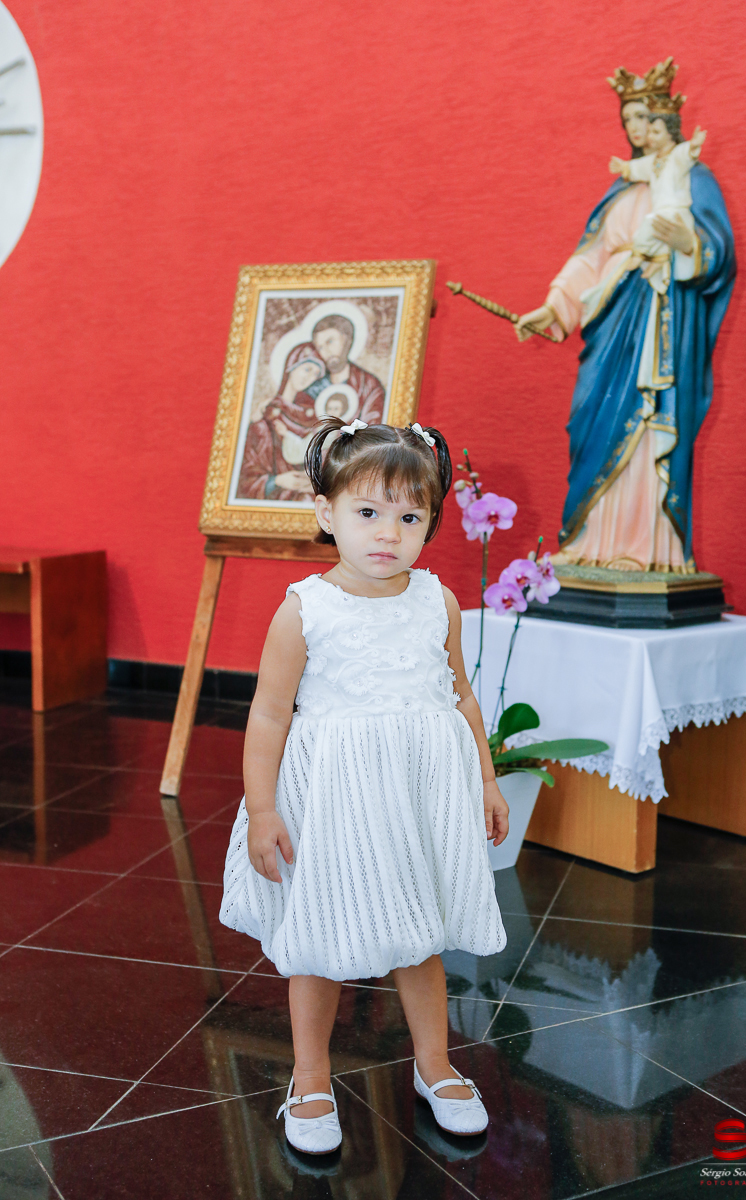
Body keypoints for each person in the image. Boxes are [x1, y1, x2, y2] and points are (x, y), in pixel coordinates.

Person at [220, 418, 509, 1154]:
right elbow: (267, 717)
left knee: (421, 937)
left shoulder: (437, 601)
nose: (389, 533)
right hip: (334, 806)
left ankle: (435, 1065)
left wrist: (484, 779)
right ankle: (311, 1077)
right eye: (368, 512)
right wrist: (261, 809)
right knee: (319, 938)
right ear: (326, 513)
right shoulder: (304, 610)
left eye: (410, 517)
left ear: (430, 523)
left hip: (416, 800)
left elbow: (462, 694)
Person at [515, 58, 735, 573]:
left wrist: (689, 244)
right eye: (629, 121)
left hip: (661, 315)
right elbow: (590, 259)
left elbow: (716, 249)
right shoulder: (621, 191)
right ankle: (589, 542)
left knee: (650, 419)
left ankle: (648, 549)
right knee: (591, 420)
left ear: (666, 125)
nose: (637, 130)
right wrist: (554, 306)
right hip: (611, 321)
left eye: (645, 119)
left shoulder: (689, 177)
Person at [610, 116, 707, 295]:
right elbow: (637, 167)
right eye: (650, 133)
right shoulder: (653, 160)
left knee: (648, 228)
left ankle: (639, 256)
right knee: (649, 232)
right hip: (661, 210)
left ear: (670, 134)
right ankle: (658, 261)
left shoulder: (677, 155)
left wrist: (694, 145)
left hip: (676, 210)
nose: (651, 137)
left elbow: (687, 154)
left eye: (656, 132)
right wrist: (623, 166)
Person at [237, 343, 325, 501]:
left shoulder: (311, 416)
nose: (309, 378)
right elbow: (247, 475)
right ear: (291, 367)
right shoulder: (266, 414)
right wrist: (277, 481)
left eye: (315, 374)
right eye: (307, 369)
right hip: (276, 495)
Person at [309, 314, 386, 425]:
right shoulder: (313, 389)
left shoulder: (368, 385)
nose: (326, 351)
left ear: (347, 339)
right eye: (320, 347)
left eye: (330, 342)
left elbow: (372, 430)